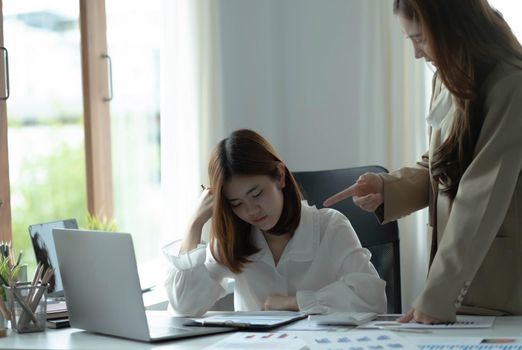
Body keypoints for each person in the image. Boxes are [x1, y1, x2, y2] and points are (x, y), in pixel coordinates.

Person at [324, 0, 522, 324]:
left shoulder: (511, 84)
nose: (417, 53)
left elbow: (480, 193)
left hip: (500, 292)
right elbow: (441, 164)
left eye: (420, 38)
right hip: (460, 288)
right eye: (410, 40)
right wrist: (388, 188)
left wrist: (437, 295)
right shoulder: (446, 79)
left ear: (453, 26)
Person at [163, 129, 386, 317]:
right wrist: (194, 224)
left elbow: (372, 299)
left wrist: (295, 302)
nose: (251, 211)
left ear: (279, 176)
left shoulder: (330, 226)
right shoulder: (233, 238)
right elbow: (183, 307)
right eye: (236, 203)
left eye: (256, 194)